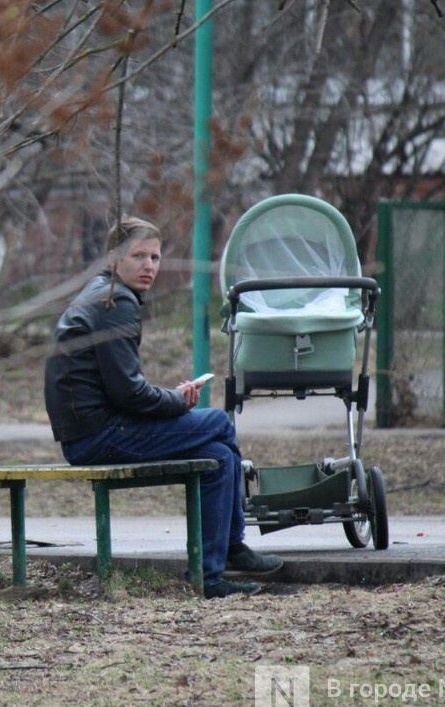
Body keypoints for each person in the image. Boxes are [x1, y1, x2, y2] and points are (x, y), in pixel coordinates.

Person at [43, 215, 282, 599]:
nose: (149, 266)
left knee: (219, 456)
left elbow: (122, 388)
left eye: (155, 257)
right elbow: (128, 393)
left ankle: (209, 576)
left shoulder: (101, 292)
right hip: (98, 436)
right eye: (138, 256)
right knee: (219, 422)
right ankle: (233, 546)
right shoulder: (115, 300)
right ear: (113, 259)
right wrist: (175, 401)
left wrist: (169, 398)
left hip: (90, 434)